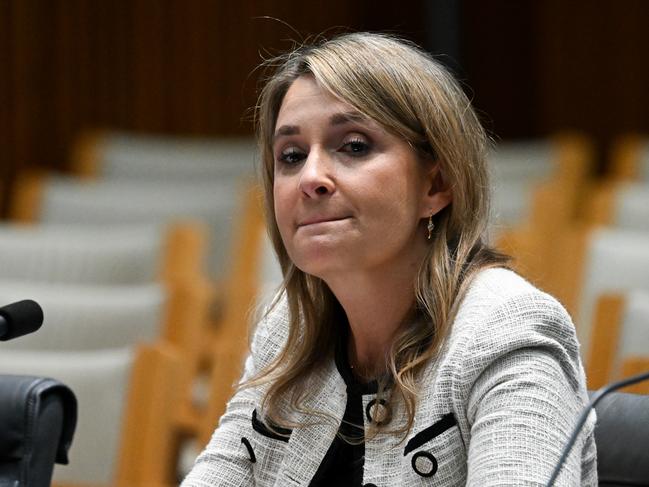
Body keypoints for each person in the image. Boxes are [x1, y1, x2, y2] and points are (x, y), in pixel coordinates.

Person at [182, 32, 597, 486]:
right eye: (292, 155)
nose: (311, 177)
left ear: (435, 185)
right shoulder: (287, 330)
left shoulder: (505, 332)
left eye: (354, 146)